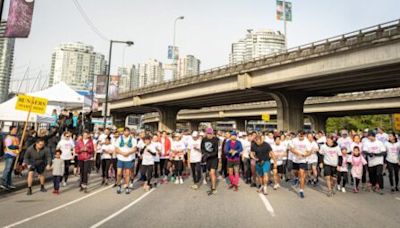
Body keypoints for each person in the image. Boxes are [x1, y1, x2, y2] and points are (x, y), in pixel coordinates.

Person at [289, 131, 312, 198]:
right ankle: (296, 178)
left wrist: (302, 155)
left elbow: (309, 152)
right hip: (295, 159)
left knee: (302, 174)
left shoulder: (307, 142)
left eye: (302, 136)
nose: (300, 137)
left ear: (304, 135)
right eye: (299, 135)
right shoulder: (294, 140)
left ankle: (301, 190)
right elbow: (291, 149)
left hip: (303, 160)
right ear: (298, 135)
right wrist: (297, 154)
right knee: (296, 172)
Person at [115, 127, 137, 194]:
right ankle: (119, 185)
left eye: (128, 131)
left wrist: (128, 153)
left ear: (129, 132)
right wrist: (123, 153)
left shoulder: (133, 139)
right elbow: (116, 149)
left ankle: (127, 187)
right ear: (123, 132)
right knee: (119, 173)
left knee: (127, 174)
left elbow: (135, 149)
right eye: (125, 131)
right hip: (121, 158)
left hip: (129, 159)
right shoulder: (119, 139)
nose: (127, 132)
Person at [201, 127, 219, 195]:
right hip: (207, 159)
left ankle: (213, 188)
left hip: (214, 158)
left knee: (212, 173)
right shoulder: (204, 139)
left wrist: (209, 155)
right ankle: (213, 182)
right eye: (208, 134)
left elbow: (216, 151)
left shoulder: (215, 140)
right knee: (210, 173)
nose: (209, 135)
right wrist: (204, 154)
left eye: (210, 134)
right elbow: (202, 148)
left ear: (212, 134)